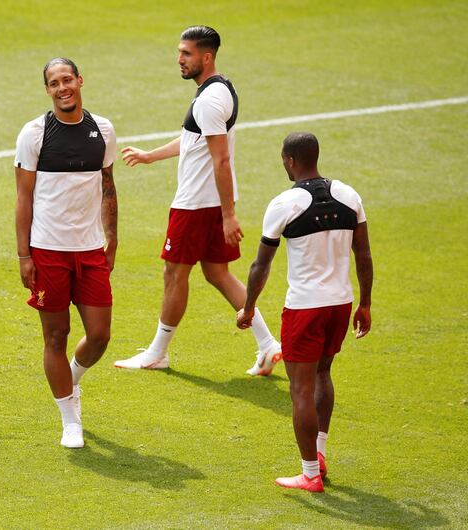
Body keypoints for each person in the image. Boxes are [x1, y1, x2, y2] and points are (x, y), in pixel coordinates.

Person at [114, 25, 281, 375]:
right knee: (218, 273)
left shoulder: (208, 100)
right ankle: (267, 345)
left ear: (206, 57)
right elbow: (195, 141)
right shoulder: (218, 90)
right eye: (179, 52)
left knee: (174, 273)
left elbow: (221, 160)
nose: (179, 59)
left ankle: (157, 353)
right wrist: (150, 156)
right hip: (209, 203)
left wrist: (229, 215)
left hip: (196, 205)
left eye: (186, 54)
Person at [236, 132, 373, 492]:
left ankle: (310, 472)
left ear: (290, 160)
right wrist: (366, 303)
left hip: (305, 308)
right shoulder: (350, 195)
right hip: (340, 305)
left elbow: (259, 266)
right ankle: (321, 454)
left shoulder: (284, 204)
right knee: (323, 375)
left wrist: (248, 308)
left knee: (300, 389)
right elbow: (364, 256)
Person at [15, 58, 118, 448]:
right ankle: (69, 418)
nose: (62, 88)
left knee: (100, 335)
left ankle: (71, 378)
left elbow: (108, 185)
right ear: (47, 90)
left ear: (80, 80)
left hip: (91, 249)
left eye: (67, 80)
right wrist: (23, 255)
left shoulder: (102, 129)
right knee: (56, 335)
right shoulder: (35, 133)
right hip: (48, 252)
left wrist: (113, 236)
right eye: (54, 83)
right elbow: (23, 197)